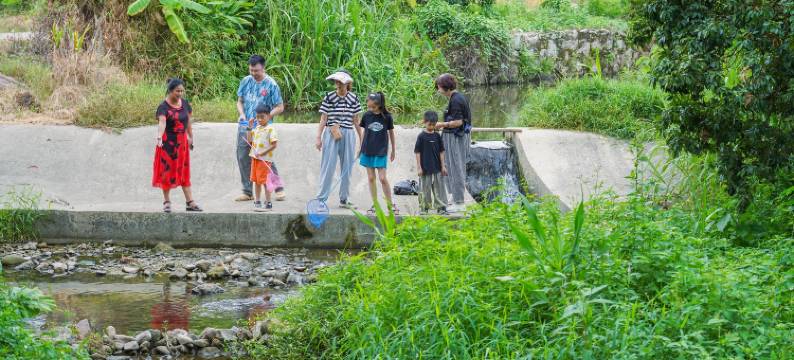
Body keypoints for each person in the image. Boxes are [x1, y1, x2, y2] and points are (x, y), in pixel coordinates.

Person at [235, 55, 285, 202]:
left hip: (263, 129)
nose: (253, 73)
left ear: (263, 68)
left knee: (264, 157)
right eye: (251, 70)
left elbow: (280, 107)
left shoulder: (271, 85)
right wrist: (242, 114)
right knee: (243, 156)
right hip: (246, 126)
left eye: (256, 70)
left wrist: (269, 116)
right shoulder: (245, 81)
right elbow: (239, 101)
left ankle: (278, 188)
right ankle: (247, 191)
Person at [152, 78, 202, 213]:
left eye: (181, 91)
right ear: (170, 91)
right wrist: (159, 137)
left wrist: (191, 137)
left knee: (184, 172)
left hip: (182, 145)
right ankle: (167, 201)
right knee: (167, 172)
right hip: (167, 144)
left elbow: (188, 123)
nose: (180, 93)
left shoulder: (185, 104)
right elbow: (162, 123)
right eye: (177, 91)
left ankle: (190, 202)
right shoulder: (163, 107)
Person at [315, 70, 363, 209]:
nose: (338, 84)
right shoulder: (329, 97)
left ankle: (344, 199)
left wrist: (362, 140)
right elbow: (323, 118)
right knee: (327, 167)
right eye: (336, 81)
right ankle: (321, 200)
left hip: (348, 133)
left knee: (347, 167)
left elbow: (356, 121)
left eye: (341, 82)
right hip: (331, 133)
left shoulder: (354, 98)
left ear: (347, 83)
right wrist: (318, 137)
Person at [433, 73, 471, 213]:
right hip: (455, 137)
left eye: (439, 87)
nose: (438, 90)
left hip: (456, 138)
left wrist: (441, 124)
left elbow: (458, 122)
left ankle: (459, 202)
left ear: (446, 87)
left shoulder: (456, 100)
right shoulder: (457, 97)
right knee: (451, 166)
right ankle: (455, 197)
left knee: (456, 168)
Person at [358, 92, 396, 213]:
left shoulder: (387, 117)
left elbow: (391, 133)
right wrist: (360, 147)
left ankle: (390, 205)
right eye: (369, 106)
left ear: (379, 105)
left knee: (383, 178)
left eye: (373, 107)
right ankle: (375, 204)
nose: (370, 109)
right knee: (370, 178)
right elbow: (364, 132)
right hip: (367, 149)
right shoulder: (367, 115)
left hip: (381, 150)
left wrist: (393, 150)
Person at [415, 111, 448, 215]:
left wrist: (443, 166)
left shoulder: (437, 136)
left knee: (439, 188)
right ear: (424, 122)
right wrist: (419, 167)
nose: (431, 127)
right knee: (425, 188)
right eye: (429, 124)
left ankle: (441, 207)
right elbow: (417, 152)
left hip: (437, 167)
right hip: (425, 168)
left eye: (434, 125)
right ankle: (425, 207)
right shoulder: (421, 136)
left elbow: (441, 151)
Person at [249, 104, 278, 212]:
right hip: (255, 159)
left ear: (268, 116)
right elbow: (249, 139)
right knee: (256, 181)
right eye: (258, 117)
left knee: (266, 181)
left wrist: (262, 153)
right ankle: (257, 201)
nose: (259, 119)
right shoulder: (256, 128)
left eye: (262, 117)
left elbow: (274, 145)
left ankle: (268, 202)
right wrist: (249, 127)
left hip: (264, 160)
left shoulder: (270, 129)